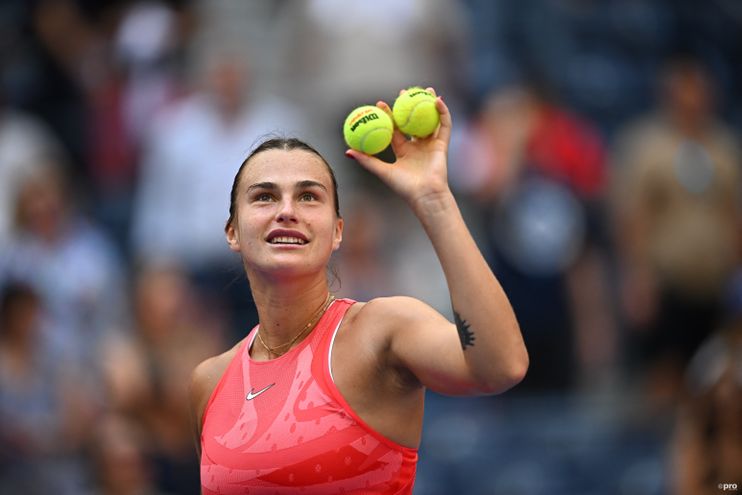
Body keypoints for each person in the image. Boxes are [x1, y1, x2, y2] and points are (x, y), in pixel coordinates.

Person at [189, 90, 529, 494]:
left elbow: (502, 366)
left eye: (308, 196)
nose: (286, 210)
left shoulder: (381, 331)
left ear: (337, 232)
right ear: (233, 232)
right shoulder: (209, 382)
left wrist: (433, 199)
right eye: (264, 196)